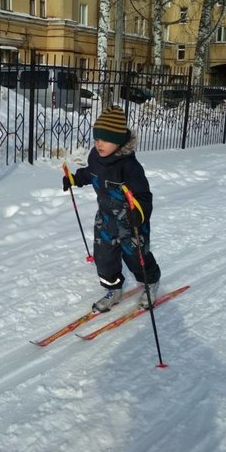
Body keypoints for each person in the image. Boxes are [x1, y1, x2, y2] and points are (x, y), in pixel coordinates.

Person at [63, 106, 161, 312]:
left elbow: (144, 196)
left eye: (105, 139)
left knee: (137, 257)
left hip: (131, 223)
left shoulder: (129, 167)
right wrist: (74, 179)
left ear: (118, 141)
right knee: (104, 257)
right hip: (106, 220)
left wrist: (139, 213)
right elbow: (90, 174)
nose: (99, 143)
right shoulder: (95, 158)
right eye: (97, 138)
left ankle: (150, 282)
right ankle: (113, 288)